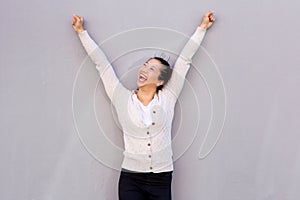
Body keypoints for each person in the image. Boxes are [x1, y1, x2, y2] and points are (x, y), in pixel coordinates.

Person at [72, 11, 215, 200]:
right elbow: (101, 64)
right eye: (145, 65)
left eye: (152, 69)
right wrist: (82, 32)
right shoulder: (121, 97)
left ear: (160, 81)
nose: (144, 70)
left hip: (161, 178)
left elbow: (185, 61)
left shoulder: (168, 97)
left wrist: (202, 28)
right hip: (131, 179)